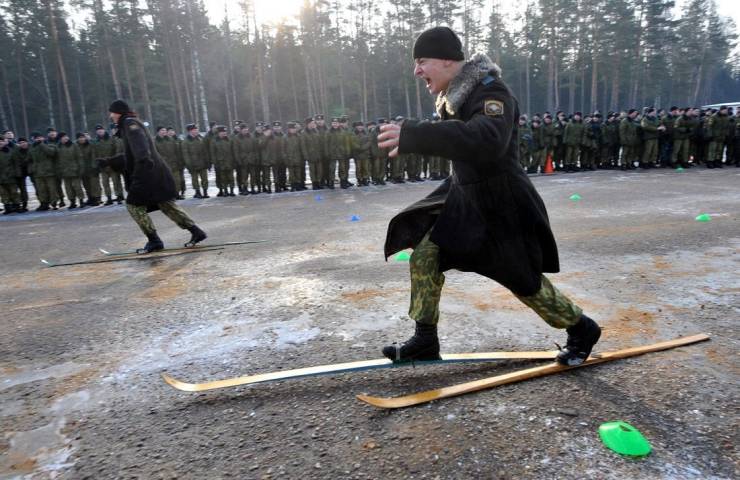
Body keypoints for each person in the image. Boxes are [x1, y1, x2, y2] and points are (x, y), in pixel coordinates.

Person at [376, 27, 601, 366]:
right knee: (425, 254)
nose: (416, 71)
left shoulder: (492, 92)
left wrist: (417, 135)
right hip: (465, 202)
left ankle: (582, 329)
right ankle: (425, 339)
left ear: (448, 60)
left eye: (422, 61)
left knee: (524, 282)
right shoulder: (456, 98)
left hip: (501, 206)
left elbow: (486, 139)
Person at [96, 100, 207, 253]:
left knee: (133, 205)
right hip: (155, 173)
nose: (111, 116)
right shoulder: (130, 124)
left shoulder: (129, 124)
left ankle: (154, 240)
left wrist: (141, 173)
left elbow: (141, 152)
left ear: (119, 112)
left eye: (112, 112)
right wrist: (109, 161)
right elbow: (131, 155)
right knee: (166, 204)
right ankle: (197, 232)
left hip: (148, 174)